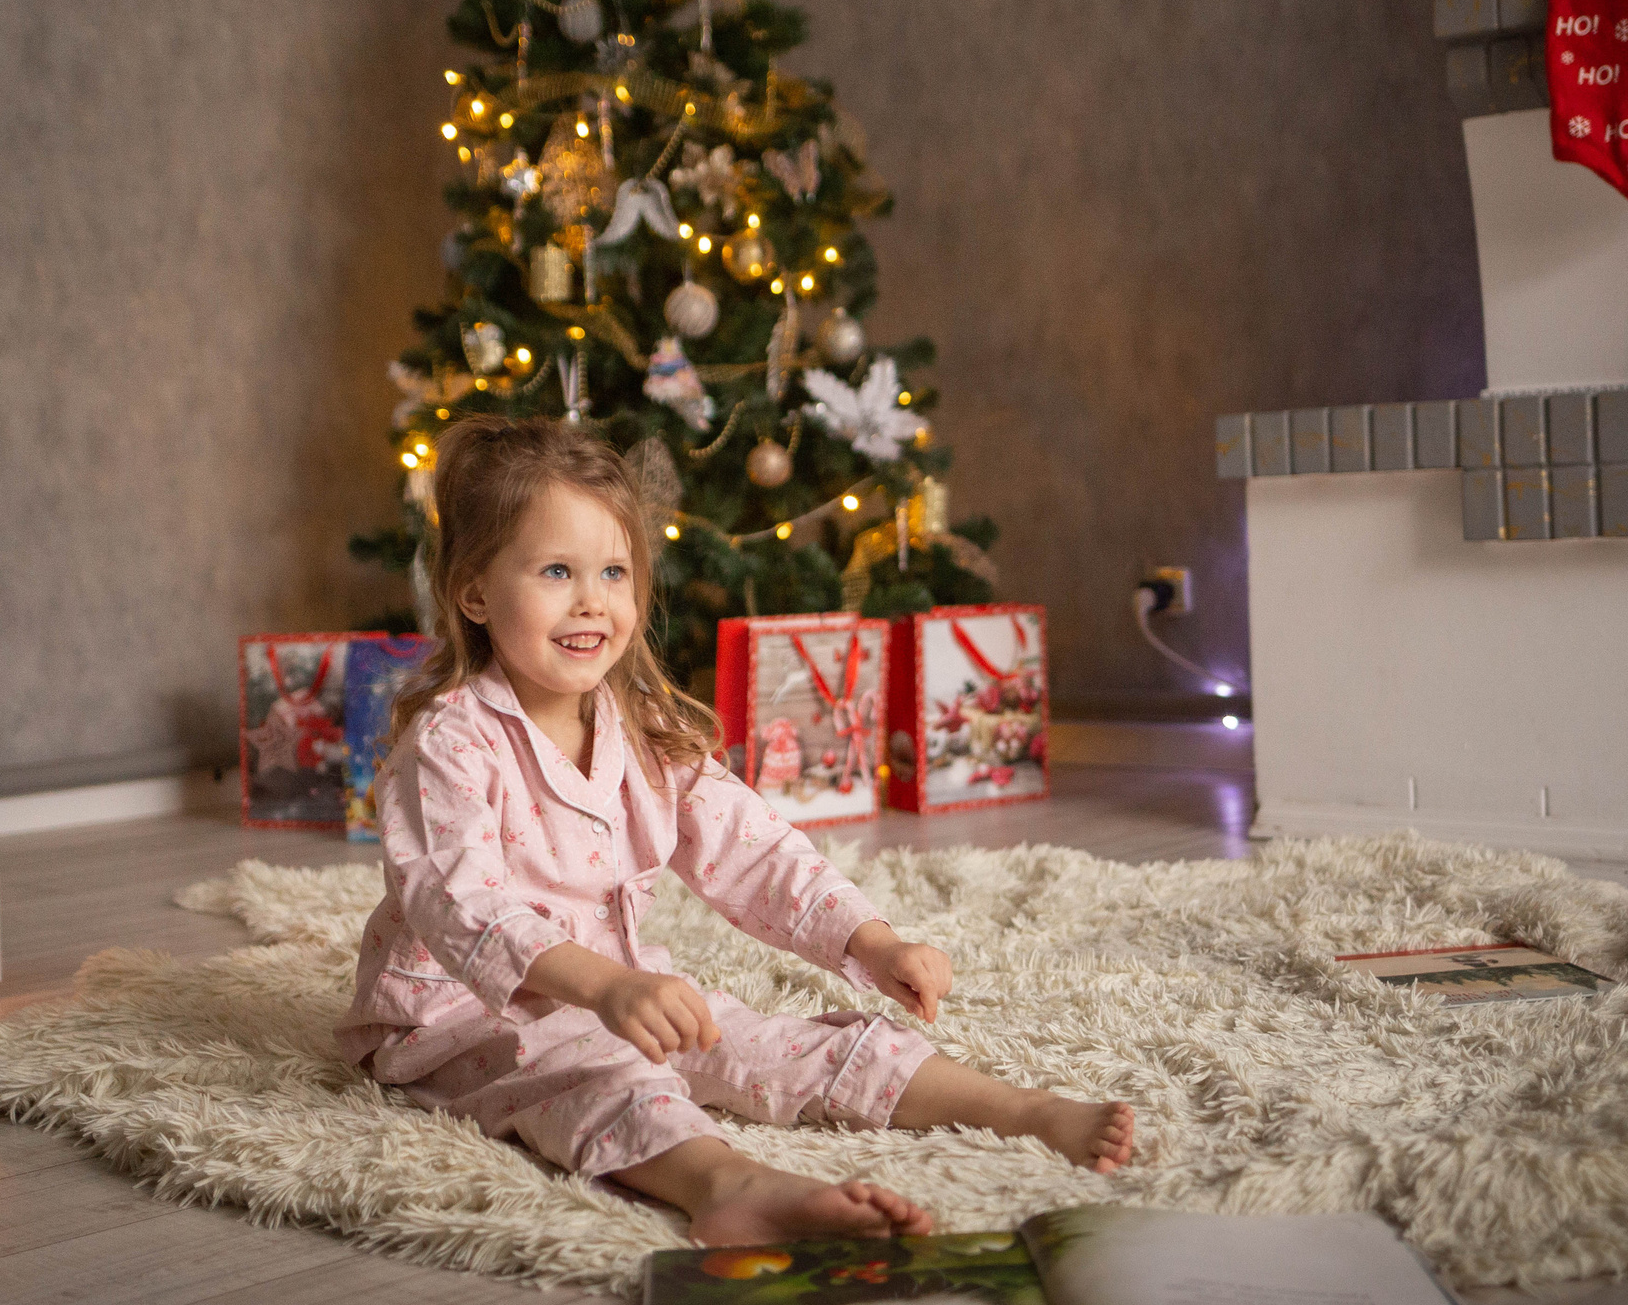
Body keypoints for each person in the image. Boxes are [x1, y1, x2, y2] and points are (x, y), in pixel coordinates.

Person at [338, 416, 1133, 1245]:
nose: (592, 600)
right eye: (555, 571)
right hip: (458, 1017)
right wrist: (606, 989)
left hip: (626, 986)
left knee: (770, 1040)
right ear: (473, 592)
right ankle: (728, 1185)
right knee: (601, 1077)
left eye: (614, 571)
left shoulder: (639, 724)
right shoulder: (449, 741)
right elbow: (463, 905)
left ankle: (1024, 1110)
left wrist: (870, 941)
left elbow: (753, 848)